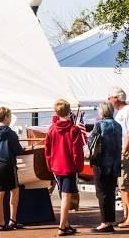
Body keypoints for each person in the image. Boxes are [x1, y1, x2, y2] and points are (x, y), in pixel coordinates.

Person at [45, 99, 84, 236]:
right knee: (66, 196)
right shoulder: (74, 130)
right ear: (69, 112)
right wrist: (79, 167)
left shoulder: (51, 129)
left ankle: (66, 224)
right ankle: (62, 227)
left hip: (56, 167)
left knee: (63, 195)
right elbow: (77, 152)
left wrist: (50, 165)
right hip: (69, 167)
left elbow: (47, 150)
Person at [88, 102, 122, 233]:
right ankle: (110, 221)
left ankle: (105, 223)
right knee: (110, 193)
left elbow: (91, 142)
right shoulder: (118, 126)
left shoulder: (99, 125)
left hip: (101, 164)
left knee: (101, 193)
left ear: (102, 112)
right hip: (114, 165)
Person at [110, 87, 129, 227]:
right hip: (120, 153)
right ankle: (125, 215)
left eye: (110, 97)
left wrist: (123, 151)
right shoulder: (120, 112)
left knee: (126, 185)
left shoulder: (126, 112)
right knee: (122, 186)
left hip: (125, 153)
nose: (108, 99)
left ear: (117, 98)